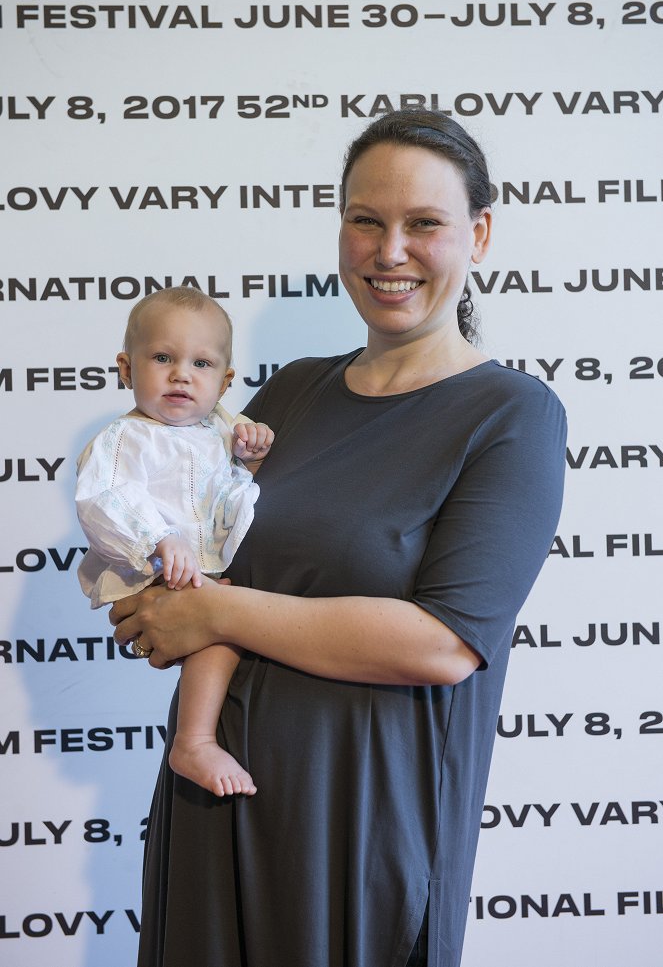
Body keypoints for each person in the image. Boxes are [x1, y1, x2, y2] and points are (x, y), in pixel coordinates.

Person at [111, 110, 567, 967]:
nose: (388, 250)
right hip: (212, 797)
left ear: (478, 234)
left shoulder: (511, 414)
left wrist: (214, 614)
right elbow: (193, 547)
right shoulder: (283, 397)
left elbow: (443, 643)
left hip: (361, 827)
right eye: (365, 219)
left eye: (422, 223)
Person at [76, 286, 273, 797]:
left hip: (199, 567)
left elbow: (233, 493)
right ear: (126, 368)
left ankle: (201, 735)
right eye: (162, 358)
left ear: (226, 382)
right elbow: (103, 501)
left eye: (202, 364)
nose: (182, 373)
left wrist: (252, 458)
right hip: (149, 570)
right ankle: (193, 740)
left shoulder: (221, 431)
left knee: (230, 627)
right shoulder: (123, 439)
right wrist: (159, 538)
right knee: (221, 628)